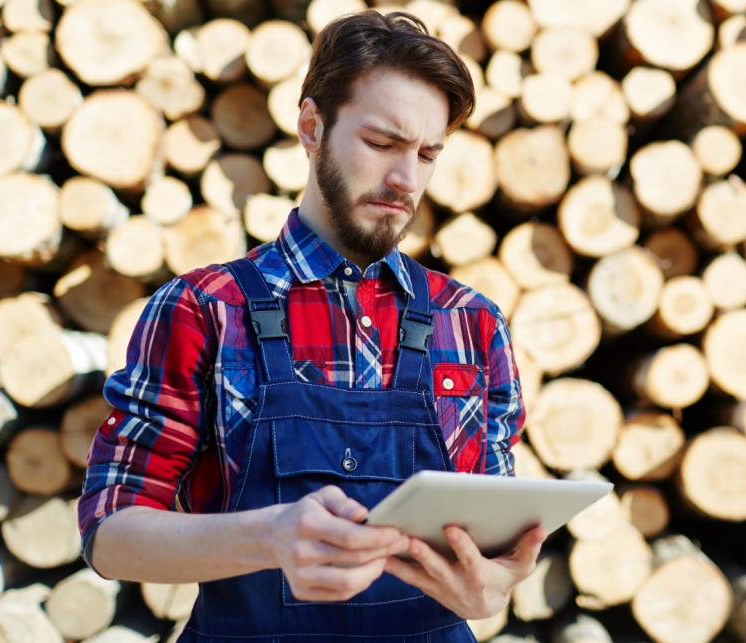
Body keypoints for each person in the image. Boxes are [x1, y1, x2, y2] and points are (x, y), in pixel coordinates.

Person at [78, 10, 546, 642]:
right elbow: (111, 532)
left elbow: (488, 539)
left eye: (427, 154)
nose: (406, 179)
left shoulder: (472, 324)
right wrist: (267, 535)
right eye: (382, 144)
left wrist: (495, 584)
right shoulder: (203, 308)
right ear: (311, 126)